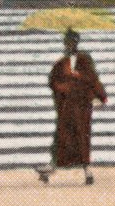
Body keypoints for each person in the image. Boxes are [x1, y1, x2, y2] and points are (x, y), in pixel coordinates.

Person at [36, 29, 108, 186]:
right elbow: (53, 81)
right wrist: (65, 87)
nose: (69, 44)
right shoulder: (61, 63)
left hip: (82, 107)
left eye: (72, 41)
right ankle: (52, 167)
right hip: (67, 106)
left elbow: (93, 79)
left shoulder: (85, 60)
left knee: (82, 137)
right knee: (62, 137)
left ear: (77, 42)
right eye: (67, 42)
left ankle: (87, 170)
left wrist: (101, 96)